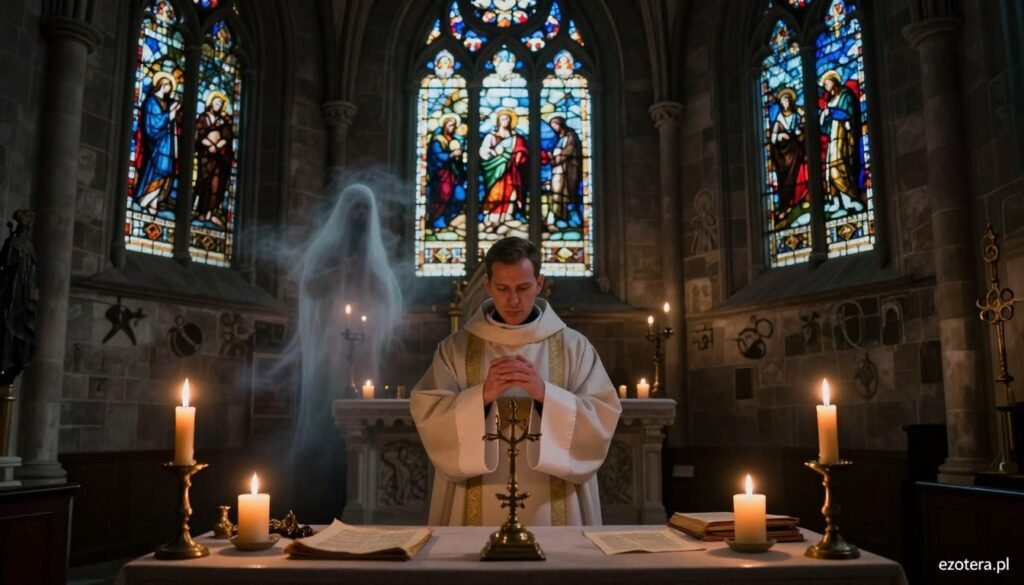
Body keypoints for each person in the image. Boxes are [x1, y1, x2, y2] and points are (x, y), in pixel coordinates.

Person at [411, 237, 621, 526]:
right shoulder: (455, 349)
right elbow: (429, 415)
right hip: (477, 492)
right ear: (487, 286)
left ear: (539, 283)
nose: (513, 300)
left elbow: (603, 416)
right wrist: (481, 396)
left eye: (523, 288)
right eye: (502, 289)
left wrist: (546, 394)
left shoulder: (574, 347)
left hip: (553, 501)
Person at [818, 70, 864, 215]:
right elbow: (825, 128)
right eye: (824, 84)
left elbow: (849, 114)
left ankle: (849, 198)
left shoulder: (845, 95)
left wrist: (831, 113)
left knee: (839, 167)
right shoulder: (830, 101)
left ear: (834, 81)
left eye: (827, 83)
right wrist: (824, 119)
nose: (825, 86)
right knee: (830, 170)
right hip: (833, 138)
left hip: (844, 136)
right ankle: (836, 201)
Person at [136, 71, 181, 214]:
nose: (170, 89)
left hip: (167, 143)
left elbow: (169, 121)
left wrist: (172, 113)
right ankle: (144, 200)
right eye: (168, 86)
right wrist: (169, 115)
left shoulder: (166, 103)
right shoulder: (151, 101)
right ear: (162, 85)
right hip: (157, 144)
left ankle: (154, 202)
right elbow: (153, 124)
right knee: (160, 170)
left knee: (166, 172)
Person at [479, 110, 529, 230]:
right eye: (503, 119)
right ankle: (493, 217)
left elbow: (523, 152)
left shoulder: (516, 138)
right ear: (498, 121)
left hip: (511, 170)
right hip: (495, 169)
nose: (505, 121)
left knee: (512, 192)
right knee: (495, 192)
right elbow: (483, 152)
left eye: (507, 119)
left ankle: (507, 215)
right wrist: (494, 153)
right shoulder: (490, 136)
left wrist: (518, 157)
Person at [769, 88, 808, 227]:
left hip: (794, 149)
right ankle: (784, 206)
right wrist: (780, 136)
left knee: (795, 175)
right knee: (785, 179)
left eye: (787, 100)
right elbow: (773, 138)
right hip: (782, 153)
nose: (785, 102)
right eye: (783, 100)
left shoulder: (796, 115)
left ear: (790, 101)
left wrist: (799, 130)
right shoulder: (779, 118)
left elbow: (797, 130)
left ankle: (795, 202)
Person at [194, 92, 233, 226]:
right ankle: (202, 213)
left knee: (216, 185)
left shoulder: (223, 121)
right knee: (204, 183)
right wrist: (210, 145)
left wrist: (217, 146)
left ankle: (210, 213)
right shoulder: (203, 118)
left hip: (219, 157)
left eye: (221, 104)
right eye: (217, 103)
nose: (219, 106)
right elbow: (199, 135)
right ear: (211, 103)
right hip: (205, 156)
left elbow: (227, 138)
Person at [425, 113, 466, 230]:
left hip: (453, 175)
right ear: (444, 126)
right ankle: (436, 221)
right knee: (443, 197)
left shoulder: (455, 140)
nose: (452, 128)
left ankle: (450, 218)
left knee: (460, 196)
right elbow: (437, 156)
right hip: (441, 175)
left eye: (454, 126)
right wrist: (453, 154)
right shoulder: (437, 141)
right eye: (450, 125)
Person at [545, 116, 582, 224]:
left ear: (560, 125)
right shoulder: (559, 138)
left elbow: (569, 150)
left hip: (566, 170)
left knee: (563, 193)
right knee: (557, 192)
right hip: (557, 170)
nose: (553, 128)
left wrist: (557, 156)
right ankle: (558, 215)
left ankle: (563, 216)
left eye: (555, 125)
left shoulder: (570, 136)